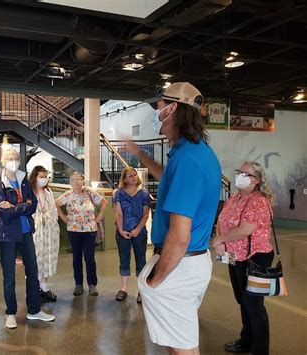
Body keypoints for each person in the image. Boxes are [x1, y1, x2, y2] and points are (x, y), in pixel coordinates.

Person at [129, 82, 221, 354]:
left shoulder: (188, 161)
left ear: (173, 110)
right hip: (188, 262)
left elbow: (180, 238)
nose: (156, 113)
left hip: (180, 264)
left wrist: (156, 280)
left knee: (182, 349)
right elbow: (168, 178)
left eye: (159, 107)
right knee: (181, 343)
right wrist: (139, 154)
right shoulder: (190, 153)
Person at [213, 161, 275, 355]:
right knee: (242, 300)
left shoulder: (258, 201)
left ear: (256, 180)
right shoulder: (235, 197)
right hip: (235, 257)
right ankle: (246, 340)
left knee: (254, 305)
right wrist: (220, 240)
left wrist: (220, 239)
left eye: (245, 173)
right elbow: (221, 219)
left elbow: (246, 229)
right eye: (239, 171)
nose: (240, 175)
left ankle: (260, 349)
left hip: (256, 258)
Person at [0, 149, 55, 329]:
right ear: (3, 161)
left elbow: (32, 205)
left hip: (26, 232)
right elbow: (4, 213)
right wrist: (22, 206)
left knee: (33, 271)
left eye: (16, 158)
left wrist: (16, 206)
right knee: (9, 275)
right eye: (9, 158)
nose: (13, 161)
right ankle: (10, 313)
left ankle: (34, 310)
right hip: (8, 234)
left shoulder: (24, 181)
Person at [55, 171, 108, 297]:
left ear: (83, 181)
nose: (77, 182)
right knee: (76, 259)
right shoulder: (68, 195)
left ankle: (92, 284)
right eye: (73, 180)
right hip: (74, 230)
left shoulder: (89, 192)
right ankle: (78, 284)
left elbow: (104, 202)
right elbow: (55, 204)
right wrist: (64, 218)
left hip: (89, 230)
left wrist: (100, 216)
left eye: (79, 179)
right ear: (70, 183)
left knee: (89, 258)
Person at [113, 167, 151, 303]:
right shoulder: (118, 193)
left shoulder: (144, 194)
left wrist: (137, 229)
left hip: (139, 233)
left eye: (134, 175)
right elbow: (118, 213)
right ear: (124, 179)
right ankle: (123, 288)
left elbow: (146, 214)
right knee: (124, 260)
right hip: (123, 232)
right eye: (130, 176)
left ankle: (141, 290)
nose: (134, 177)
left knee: (141, 261)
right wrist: (121, 230)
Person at [29, 165, 60, 302]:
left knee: (48, 258)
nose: (43, 179)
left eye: (45, 176)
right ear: (34, 177)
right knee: (36, 258)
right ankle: (34, 288)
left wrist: (54, 222)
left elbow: (53, 209)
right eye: (40, 177)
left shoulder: (49, 192)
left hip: (49, 229)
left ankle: (45, 287)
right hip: (36, 229)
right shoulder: (30, 192)